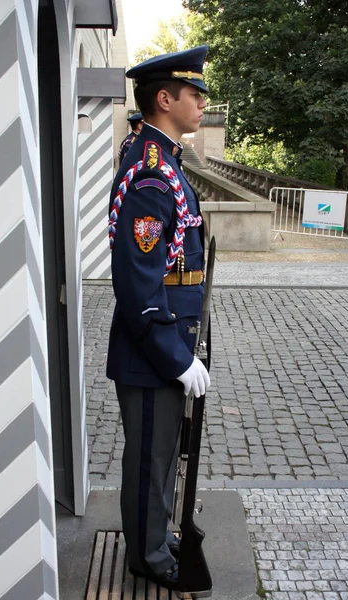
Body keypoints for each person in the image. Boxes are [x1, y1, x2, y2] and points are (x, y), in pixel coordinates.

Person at [106, 45, 211, 591]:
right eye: (194, 94)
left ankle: (152, 535)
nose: (202, 102)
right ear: (165, 99)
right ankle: (148, 556)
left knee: (162, 451)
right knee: (150, 456)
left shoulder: (161, 158)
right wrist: (175, 356)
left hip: (166, 342)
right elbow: (138, 281)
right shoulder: (151, 172)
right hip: (152, 349)